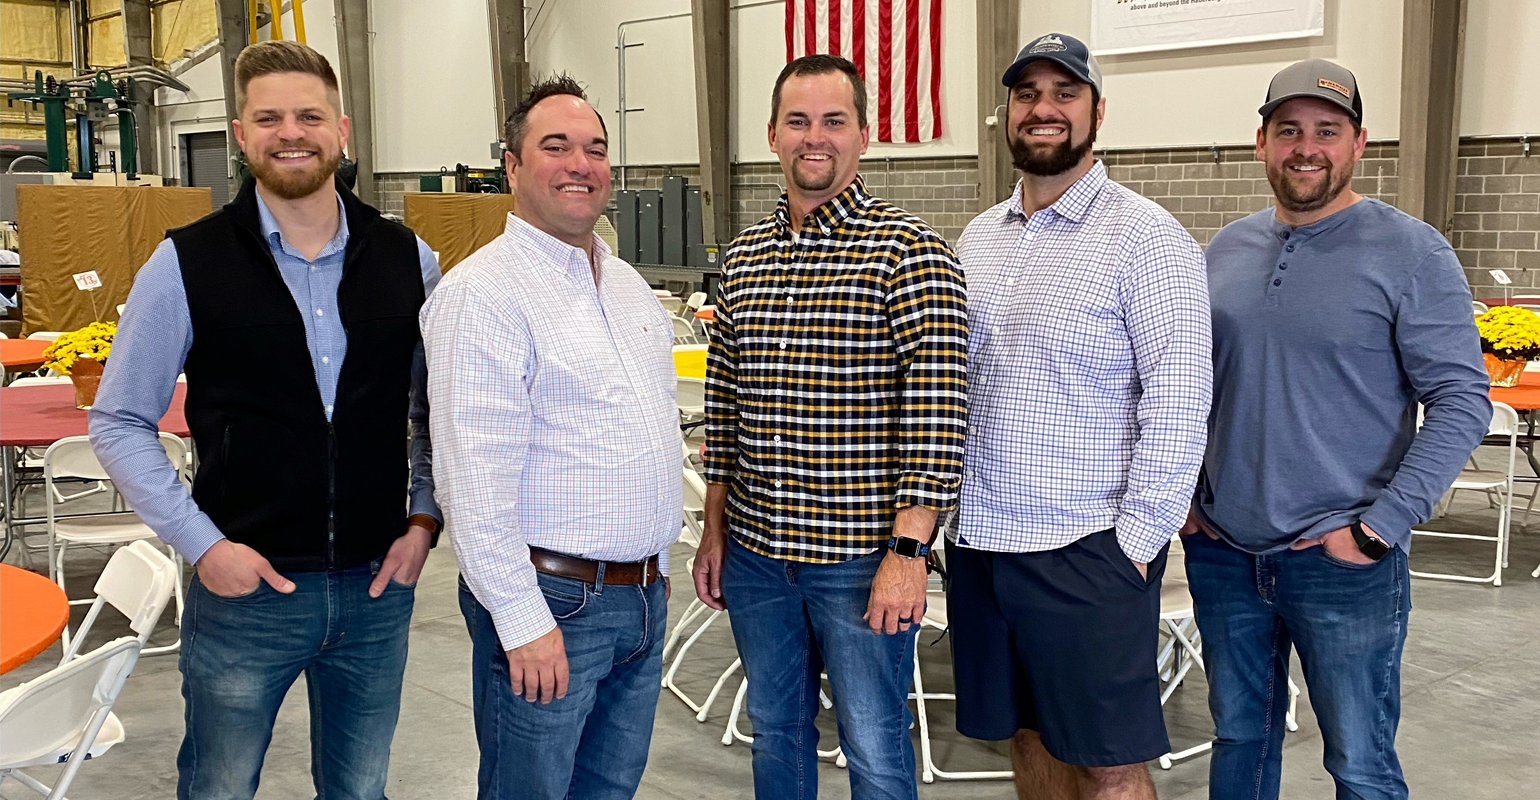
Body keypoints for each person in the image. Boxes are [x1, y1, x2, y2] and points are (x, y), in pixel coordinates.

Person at [89, 40, 442, 800]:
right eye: (270, 117)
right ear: (242, 134)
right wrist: (205, 547)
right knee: (219, 788)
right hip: (246, 594)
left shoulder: (410, 260)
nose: (292, 132)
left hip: (376, 590)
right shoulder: (185, 263)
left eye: (309, 115)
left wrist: (422, 521)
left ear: (342, 130)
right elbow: (118, 420)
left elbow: (435, 416)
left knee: (360, 790)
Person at [1185, 58, 1491, 800]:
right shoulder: (1222, 251)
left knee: (1358, 760)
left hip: (1341, 560)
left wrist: (1379, 529)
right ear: (1261, 142)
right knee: (1239, 741)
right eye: (1288, 130)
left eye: (1327, 130)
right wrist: (1190, 501)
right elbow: (1190, 389)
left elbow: (1461, 399)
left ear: (1359, 144)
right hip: (1225, 557)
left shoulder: (1413, 253)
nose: (1306, 147)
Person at [693, 54, 968, 800]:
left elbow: (939, 415)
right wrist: (716, 529)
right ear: (773, 135)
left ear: (865, 135)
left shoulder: (910, 252)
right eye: (799, 121)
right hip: (757, 559)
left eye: (834, 121)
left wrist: (909, 552)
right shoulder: (746, 258)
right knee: (775, 734)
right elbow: (724, 407)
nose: (816, 138)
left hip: (859, 562)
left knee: (874, 746)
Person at [948, 32, 1212, 800]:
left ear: (1099, 111)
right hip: (986, 543)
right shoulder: (979, 238)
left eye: (1065, 94)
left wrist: (1136, 540)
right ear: (1008, 113)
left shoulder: (1146, 239)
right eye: (1028, 94)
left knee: (1107, 762)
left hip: (1086, 545)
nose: (1044, 109)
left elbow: (1180, 394)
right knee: (1028, 735)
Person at [421, 75, 681, 800]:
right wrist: (519, 618)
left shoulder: (627, 285)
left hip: (642, 600)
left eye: (595, 149)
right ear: (512, 165)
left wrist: (659, 565)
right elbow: (470, 480)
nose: (581, 164)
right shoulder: (483, 296)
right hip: (553, 604)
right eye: (556, 147)